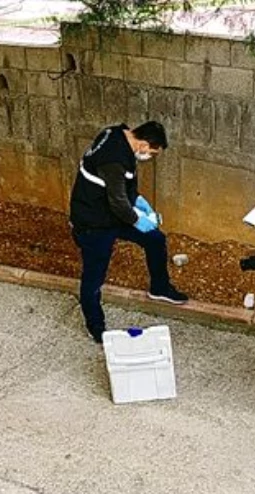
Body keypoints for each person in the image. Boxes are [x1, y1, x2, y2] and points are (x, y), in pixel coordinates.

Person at [69, 121, 188, 343]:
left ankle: (160, 287)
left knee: (155, 239)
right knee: (94, 277)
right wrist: (138, 220)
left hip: (112, 213)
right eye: (152, 153)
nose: (149, 157)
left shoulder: (118, 133)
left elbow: (126, 186)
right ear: (143, 144)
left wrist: (141, 203)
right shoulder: (113, 160)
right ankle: (95, 326)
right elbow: (118, 202)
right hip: (93, 222)